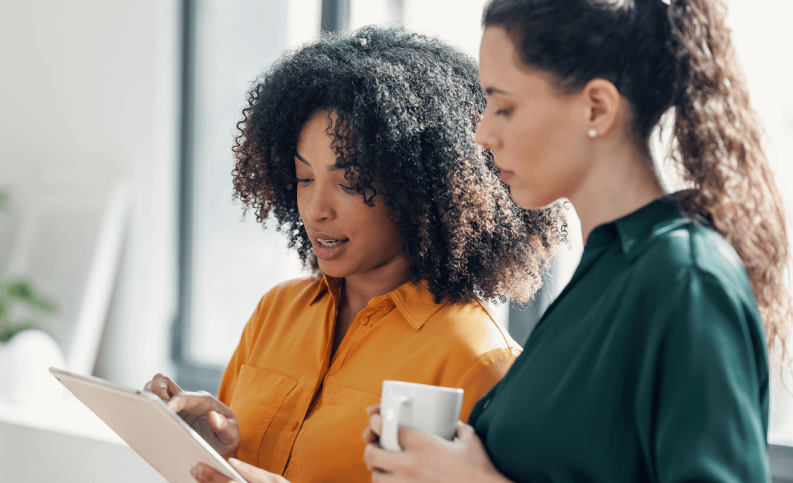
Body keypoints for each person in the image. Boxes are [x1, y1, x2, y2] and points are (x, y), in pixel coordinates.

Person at [363, 0, 792, 481]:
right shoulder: (604, 274)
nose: (482, 134)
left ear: (597, 108)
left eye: (504, 107)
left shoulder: (686, 279)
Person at [145, 26, 565, 483]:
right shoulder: (277, 312)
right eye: (305, 178)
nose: (316, 210)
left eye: (349, 182)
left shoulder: (477, 361)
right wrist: (211, 449)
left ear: (418, 191)